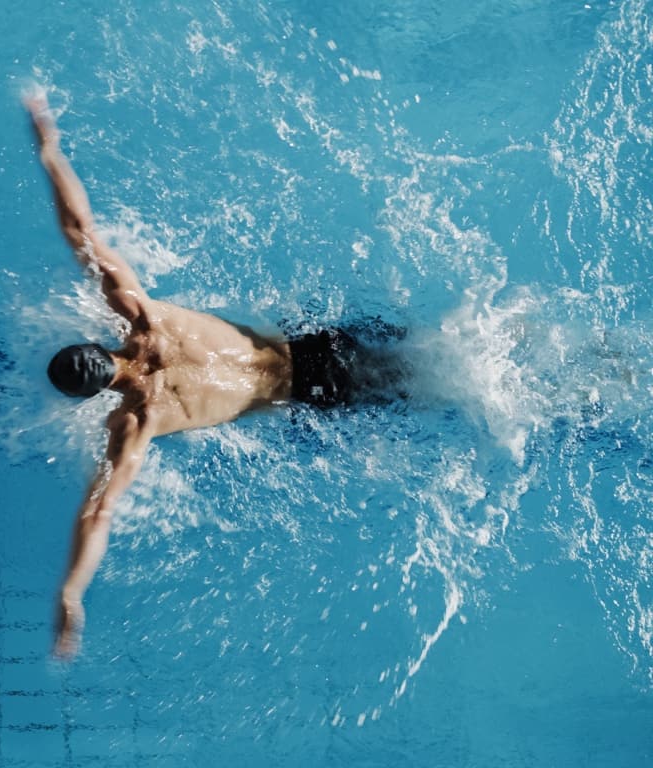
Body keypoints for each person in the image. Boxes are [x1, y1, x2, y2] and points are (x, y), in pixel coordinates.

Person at [26, 92, 402, 658]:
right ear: (97, 339)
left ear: (94, 394)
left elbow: (98, 511)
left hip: (318, 396)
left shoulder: (137, 420)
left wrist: (71, 594)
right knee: (428, 356)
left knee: (423, 392)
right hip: (319, 346)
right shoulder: (142, 316)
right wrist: (50, 148)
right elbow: (83, 233)